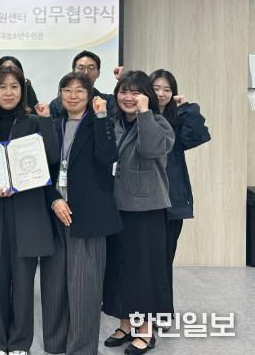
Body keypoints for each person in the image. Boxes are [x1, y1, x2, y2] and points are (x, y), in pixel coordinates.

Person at [0, 66, 60, 355]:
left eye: (14, 86)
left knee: (23, 282)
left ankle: (20, 342)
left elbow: (52, 158)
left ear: (23, 91)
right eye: (2, 87)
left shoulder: (33, 122)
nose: (8, 92)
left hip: (28, 212)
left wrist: (46, 121)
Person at [39, 71, 122, 355]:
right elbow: (44, 168)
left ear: (90, 96)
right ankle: (55, 344)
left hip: (88, 214)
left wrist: (101, 117)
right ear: (60, 94)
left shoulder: (99, 122)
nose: (72, 95)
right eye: (67, 90)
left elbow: (107, 157)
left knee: (84, 288)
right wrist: (54, 200)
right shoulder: (53, 124)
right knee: (53, 285)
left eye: (79, 91)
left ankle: (82, 349)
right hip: (55, 211)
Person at [102, 70, 174, 355]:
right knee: (119, 268)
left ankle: (145, 331)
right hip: (116, 207)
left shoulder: (159, 123)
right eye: (123, 91)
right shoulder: (114, 123)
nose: (128, 97)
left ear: (147, 96)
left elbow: (151, 148)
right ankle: (125, 324)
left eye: (136, 92)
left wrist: (145, 113)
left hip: (147, 209)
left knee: (144, 272)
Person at [150, 69, 210, 307]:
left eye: (167, 89)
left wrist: (186, 107)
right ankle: (143, 311)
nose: (161, 94)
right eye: (156, 88)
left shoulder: (176, 121)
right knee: (146, 260)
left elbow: (198, 136)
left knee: (165, 259)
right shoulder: (139, 118)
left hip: (172, 200)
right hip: (143, 200)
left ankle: (163, 311)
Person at [49, 51, 118, 119]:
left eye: (91, 68)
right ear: (73, 72)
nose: (86, 72)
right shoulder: (57, 104)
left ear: (98, 73)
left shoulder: (108, 102)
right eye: (81, 68)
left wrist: (101, 115)